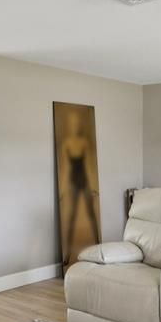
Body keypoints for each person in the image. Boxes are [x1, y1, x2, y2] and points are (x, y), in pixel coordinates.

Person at [61, 110, 100, 265]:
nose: (75, 126)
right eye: (72, 123)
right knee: (71, 217)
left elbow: (89, 166)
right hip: (73, 183)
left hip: (85, 181)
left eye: (77, 123)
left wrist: (93, 186)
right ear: (69, 125)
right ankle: (67, 254)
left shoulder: (84, 142)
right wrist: (63, 189)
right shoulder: (66, 143)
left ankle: (99, 246)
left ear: (79, 125)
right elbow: (65, 168)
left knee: (92, 215)